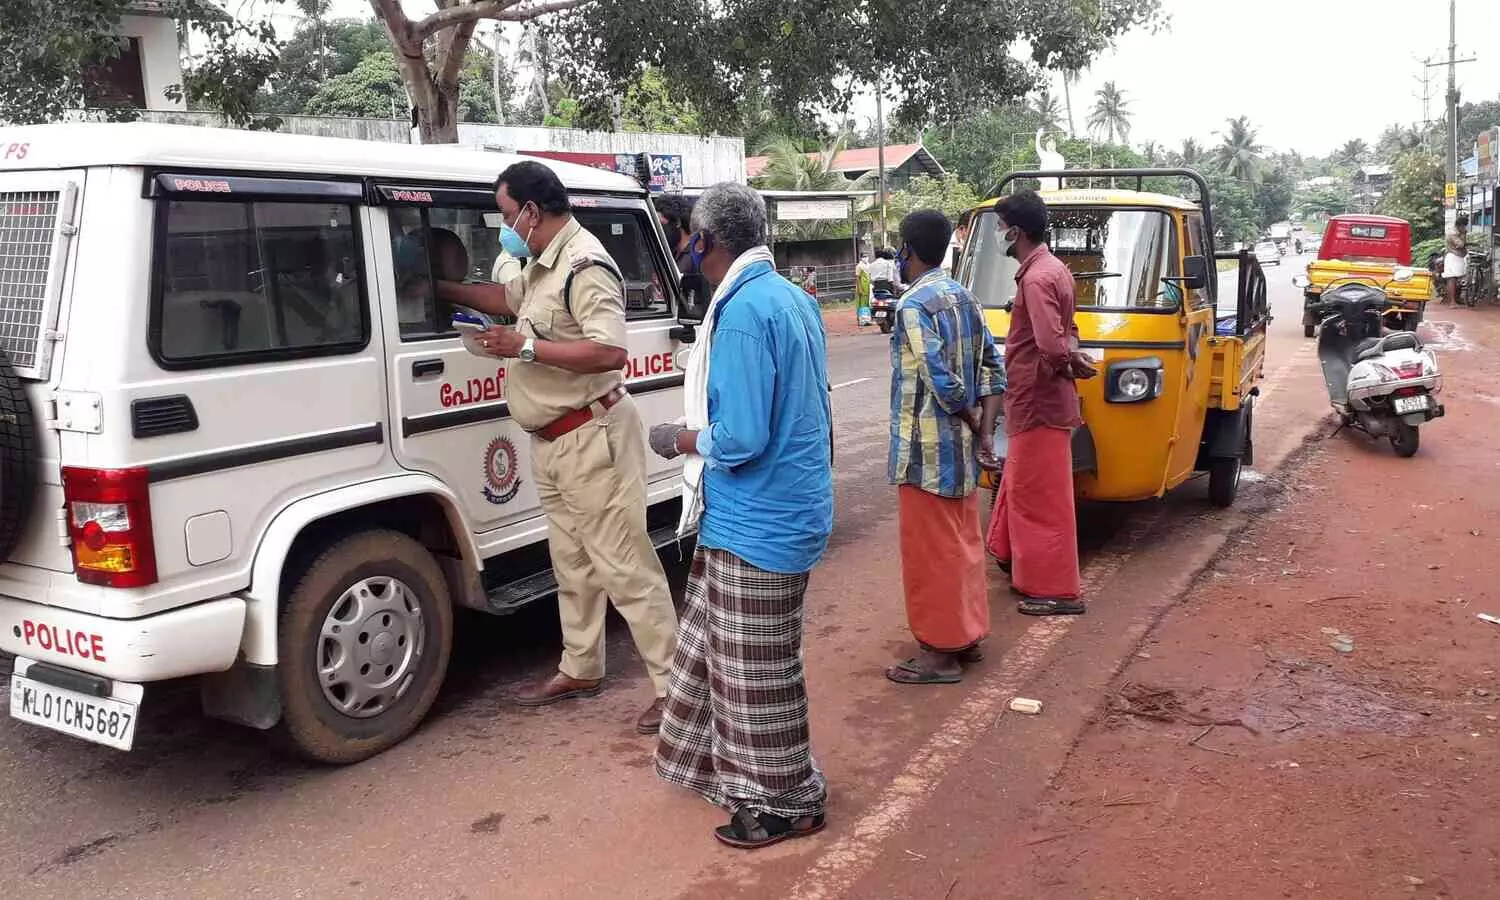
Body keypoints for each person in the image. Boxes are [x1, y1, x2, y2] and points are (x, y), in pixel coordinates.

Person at [438, 161, 679, 734]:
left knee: (625, 565)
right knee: (570, 562)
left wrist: (524, 349)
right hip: (554, 440)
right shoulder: (543, 265)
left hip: (592, 435)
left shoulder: (586, 264)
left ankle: (678, 689)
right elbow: (503, 295)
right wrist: (436, 286)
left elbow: (608, 353)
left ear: (531, 211)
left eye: (505, 216)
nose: (505, 228)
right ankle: (581, 666)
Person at [646, 182, 834, 850]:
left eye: (685, 235)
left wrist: (680, 438)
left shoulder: (747, 311)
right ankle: (729, 775)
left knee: (757, 675)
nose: (682, 247)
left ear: (706, 241)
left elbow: (743, 435)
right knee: (717, 659)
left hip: (763, 519)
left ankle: (788, 802)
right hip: (766, 512)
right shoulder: (788, 297)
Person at [885, 210, 1006, 685]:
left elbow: (944, 383)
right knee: (962, 546)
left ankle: (939, 654)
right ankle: (966, 634)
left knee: (929, 554)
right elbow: (994, 372)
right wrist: (985, 433)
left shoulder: (912, 305)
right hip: (959, 453)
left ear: (907, 251)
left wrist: (976, 425)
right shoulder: (966, 298)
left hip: (924, 452)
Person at [984, 189, 1098, 616]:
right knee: (1022, 481)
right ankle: (1008, 553)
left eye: (1000, 227)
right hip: (1043, 399)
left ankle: (1056, 589)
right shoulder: (1053, 270)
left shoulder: (1036, 277)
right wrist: (1071, 357)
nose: (999, 235)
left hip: (1037, 399)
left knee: (1040, 497)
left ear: (1016, 231)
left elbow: (1051, 344)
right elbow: (1066, 332)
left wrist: (1066, 361)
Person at [656, 193, 697, 274]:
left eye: (661, 224)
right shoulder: (671, 252)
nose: (659, 229)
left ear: (677, 222)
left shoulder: (695, 256)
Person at [1443, 214, 1469, 306]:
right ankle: (1452, 302)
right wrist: (1463, 234)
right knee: (1452, 278)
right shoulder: (1453, 233)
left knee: (1459, 279)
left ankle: (1456, 299)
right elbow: (1460, 244)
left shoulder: (1459, 231)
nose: (1465, 227)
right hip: (1453, 256)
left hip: (1459, 256)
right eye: (1464, 225)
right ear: (1460, 225)